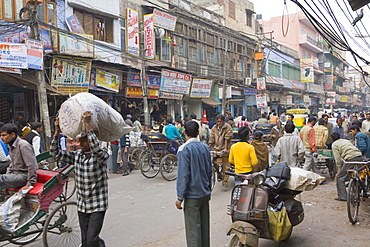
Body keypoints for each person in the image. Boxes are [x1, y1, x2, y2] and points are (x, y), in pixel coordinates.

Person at [50, 111, 109, 247]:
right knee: (85, 241)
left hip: (97, 204)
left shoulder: (101, 156)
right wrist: (57, 131)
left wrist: (87, 124)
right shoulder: (77, 155)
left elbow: (96, 148)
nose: (80, 143)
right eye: (79, 140)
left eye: (84, 140)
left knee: (92, 240)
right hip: (82, 204)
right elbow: (55, 153)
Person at [175, 120, 212, 247]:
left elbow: (183, 175)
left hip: (192, 196)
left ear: (184, 132)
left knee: (193, 231)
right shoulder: (205, 147)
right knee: (204, 229)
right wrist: (209, 190)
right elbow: (209, 171)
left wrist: (180, 197)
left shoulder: (184, 149)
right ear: (197, 132)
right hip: (204, 193)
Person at [0, 123, 37, 189]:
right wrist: (7, 175)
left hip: (23, 176)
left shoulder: (23, 145)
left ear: (13, 134)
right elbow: (12, 163)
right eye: (1, 135)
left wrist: (29, 184)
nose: (1, 138)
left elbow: (32, 165)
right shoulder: (10, 145)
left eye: (4, 135)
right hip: (14, 175)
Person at [331, 132, 363, 201]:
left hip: (350, 159)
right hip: (359, 156)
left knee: (340, 178)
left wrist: (339, 171)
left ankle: (342, 196)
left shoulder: (334, 144)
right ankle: (359, 190)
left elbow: (337, 160)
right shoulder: (345, 140)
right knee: (357, 175)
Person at [208, 114, 233, 187]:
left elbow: (227, 139)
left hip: (225, 148)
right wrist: (208, 145)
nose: (219, 123)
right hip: (217, 148)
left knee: (226, 166)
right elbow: (212, 137)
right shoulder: (214, 128)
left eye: (220, 121)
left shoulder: (228, 127)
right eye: (218, 121)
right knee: (214, 163)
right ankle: (219, 174)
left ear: (224, 121)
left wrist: (225, 148)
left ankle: (225, 181)